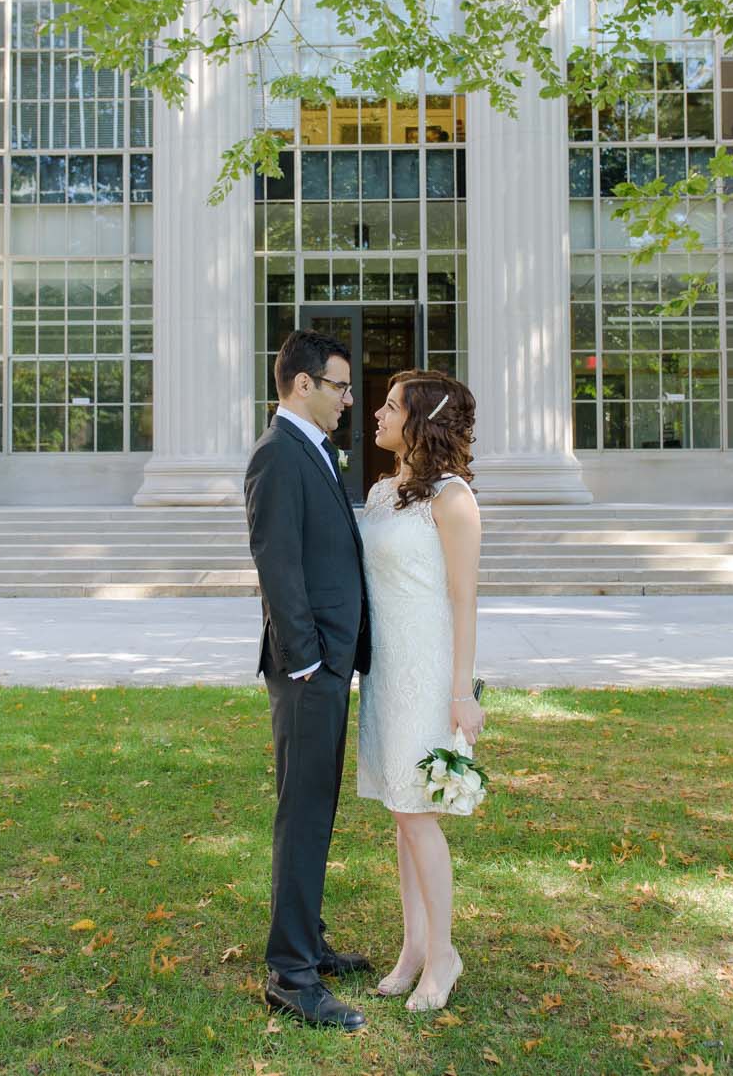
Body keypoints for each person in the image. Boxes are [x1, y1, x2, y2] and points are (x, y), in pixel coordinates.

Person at [242, 328, 375, 1032]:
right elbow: (277, 562)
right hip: (307, 668)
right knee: (302, 814)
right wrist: (306, 660)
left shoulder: (309, 450)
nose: (349, 399)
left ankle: (308, 939)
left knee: (317, 808)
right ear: (302, 384)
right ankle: (290, 973)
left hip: (325, 662)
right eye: (340, 385)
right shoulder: (276, 455)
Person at [355, 369, 485, 1013]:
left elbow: (465, 600)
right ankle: (412, 947)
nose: (376, 413)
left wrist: (462, 693)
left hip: (430, 673)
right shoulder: (383, 492)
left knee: (418, 815)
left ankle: (444, 954)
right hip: (385, 671)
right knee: (401, 814)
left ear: (420, 421)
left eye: (389, 405)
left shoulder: (453, 498)